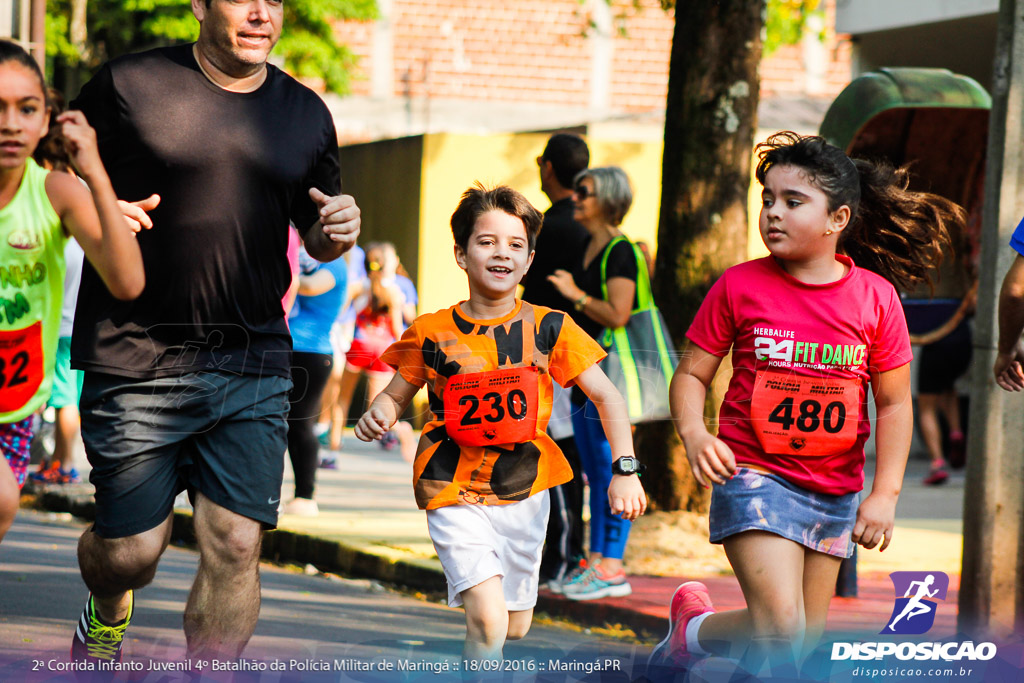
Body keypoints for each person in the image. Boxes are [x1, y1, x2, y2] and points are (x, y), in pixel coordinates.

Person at [66, 0, 361, 665]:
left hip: (252, 355)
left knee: (235, 544)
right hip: (135, 350)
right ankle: (108, 603)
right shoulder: (128, 85)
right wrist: (92, 201)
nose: (260, 13)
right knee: (131, 553)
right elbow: (47, 163)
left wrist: (334, 231)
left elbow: (315, 225)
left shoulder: (305, 114)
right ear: (199, 5)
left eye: (274, 1)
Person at [652, 132, 964, 676]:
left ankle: (693, 634)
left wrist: (884, 494)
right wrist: (696, 435)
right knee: (782, 631)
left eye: (793, 202)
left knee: (795, 639)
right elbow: (690, 375)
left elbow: (893, 405)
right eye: (768, 199)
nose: (773, 213)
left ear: (836, 218)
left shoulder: (875, 297)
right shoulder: (739, 285)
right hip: (752, 473)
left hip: (833, 489)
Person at [354, 184, 646, 667]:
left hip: (524, 491)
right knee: (489, 621)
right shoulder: (430, 332)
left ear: (529, 260)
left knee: (513, 625)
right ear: (460, 253)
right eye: (487, 241)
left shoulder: (551, 326)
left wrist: (625, 468)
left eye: (515, 245)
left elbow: (606, 395)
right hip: (451, 487)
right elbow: (395, 394)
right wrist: (381, 413)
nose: (501, 253)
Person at [0, 40, 145, 543]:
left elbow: (126, 282)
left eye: (26, 108)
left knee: (0, 504)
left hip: (17, 401)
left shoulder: (55, 192)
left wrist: (95, 175)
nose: (11, 123)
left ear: (46, 119)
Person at [547, 165, 642, 600]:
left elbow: (618, 314)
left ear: (606, 199)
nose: (576, 198)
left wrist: (575, 295)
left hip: (612, 374)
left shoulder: (619, 250)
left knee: (612, 467)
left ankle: (613, 566)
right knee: (593, 469)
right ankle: (598, 561)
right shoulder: (590, 245)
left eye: (584, 192)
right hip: (586, 370)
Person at [521, 133, 591, 594]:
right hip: (590, 360)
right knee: (576, 460)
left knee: (558, 458)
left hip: (554, 364)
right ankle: (564, 556)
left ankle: (561, 559)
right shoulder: (595, 233)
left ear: (548, 168)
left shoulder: (549, 229)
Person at [330, 242, 415, 461]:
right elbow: (397, 328)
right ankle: (402, 429)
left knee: (343, 399)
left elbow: (344, 313)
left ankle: (334, 445)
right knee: (378, 408)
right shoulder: (395, 291)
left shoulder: (359, 287)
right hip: (383, 351)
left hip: (359, 346)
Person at [282, 245, 348, 516]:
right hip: (284, 346)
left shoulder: (335, 264)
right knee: (274, 424)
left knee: (300, 425)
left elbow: (308, 286)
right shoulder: (301, 256)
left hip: (311, 353)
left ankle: (305, 495)